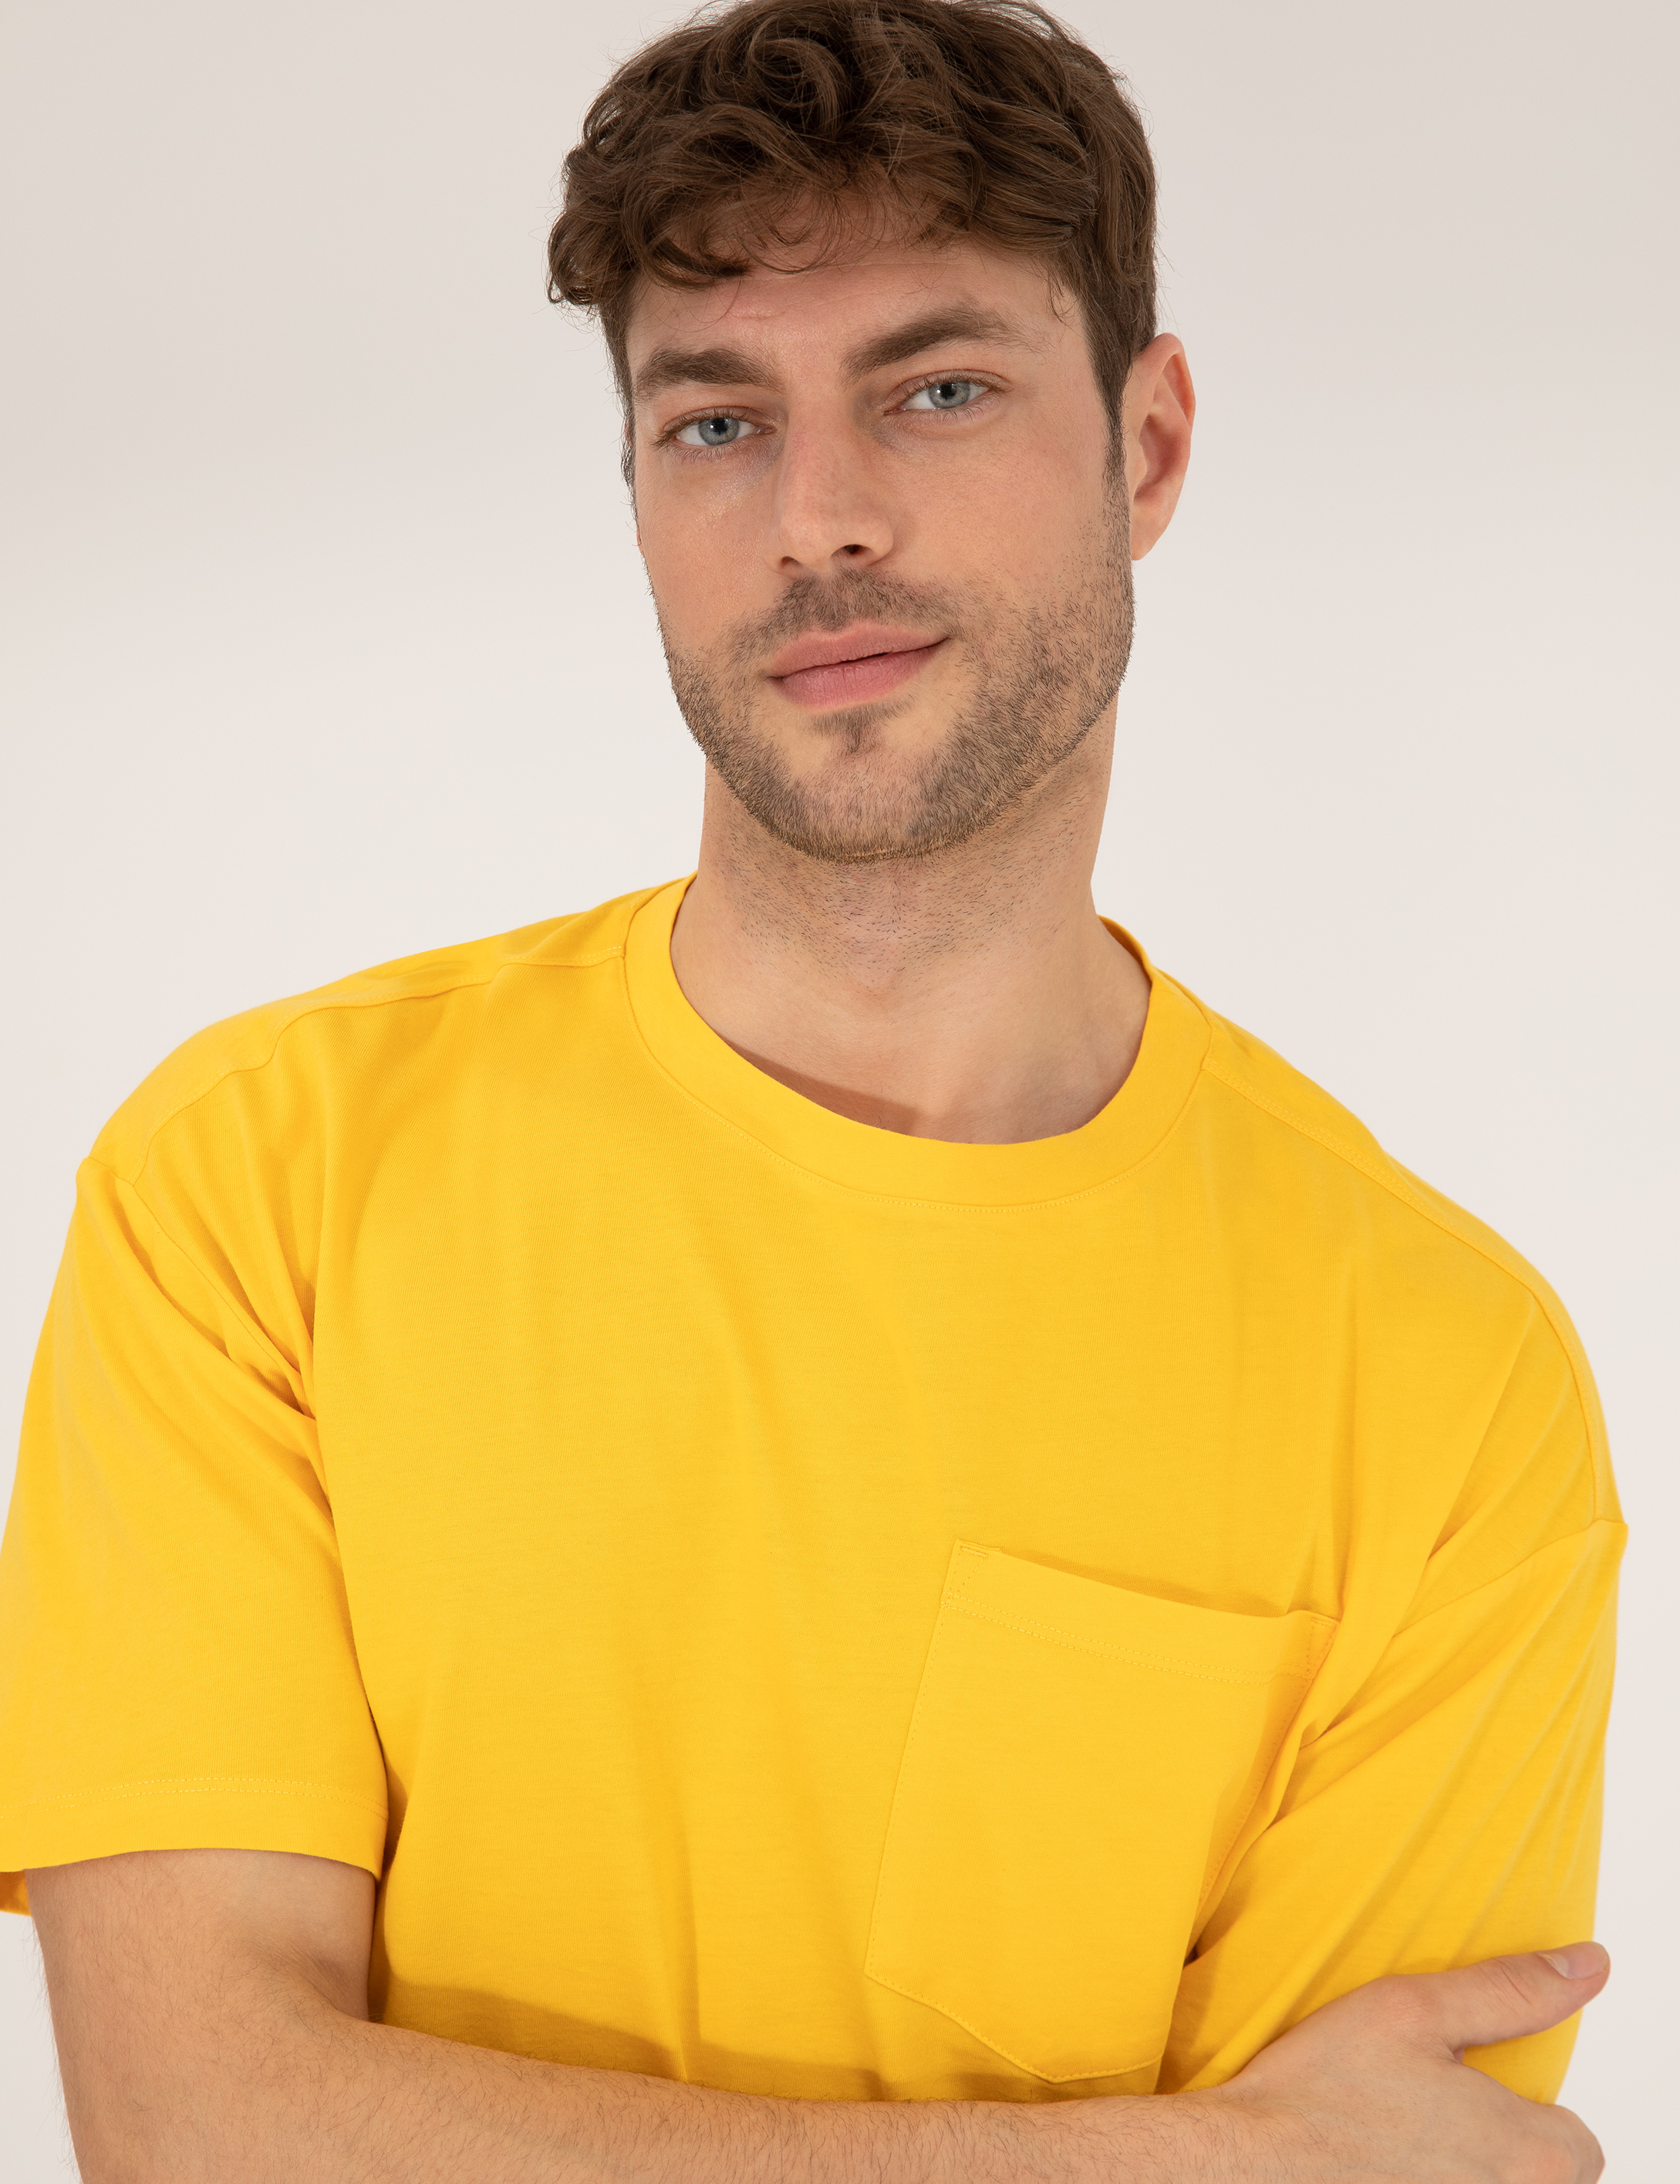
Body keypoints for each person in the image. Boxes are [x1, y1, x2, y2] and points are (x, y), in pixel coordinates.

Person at [0, 1, 1623, 2176]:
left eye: (935, 390)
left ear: (1148, 447)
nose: (817, 519)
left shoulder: (1441, 1382)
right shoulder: (258, 1189)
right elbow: (200, 2132)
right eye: (715, 422)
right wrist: (1173, 2156)